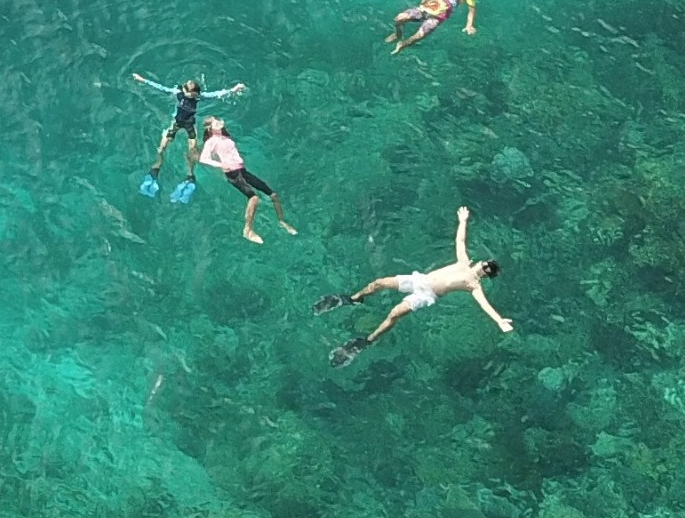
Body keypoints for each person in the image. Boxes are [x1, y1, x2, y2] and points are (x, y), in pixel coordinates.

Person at [314, 206, 507, 364]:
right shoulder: (463, 261)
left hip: (427, 295)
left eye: (487, 268)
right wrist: (463, 221)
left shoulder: (473, 285)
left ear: (485, 274)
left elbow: (484, 305)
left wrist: (499, 320)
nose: (484, 265)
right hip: (420, 279)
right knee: (380, 282)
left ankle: (366, 341)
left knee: (394, 314)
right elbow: (460, 240)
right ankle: (354, 299)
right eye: (485, 263)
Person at [188, 115, 296, 244]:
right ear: (210, 128)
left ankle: (282, 222)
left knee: (273, 195)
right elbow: (204, 158)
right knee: (254, 198)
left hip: (242, 171)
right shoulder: (211, 141)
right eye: (214, 122)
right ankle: (248, 230)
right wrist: (221, 165)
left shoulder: (226, 137)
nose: (218, 123)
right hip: (232, 174)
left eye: (218, 120)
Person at [133, 73, 245, 177]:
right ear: (183, 90)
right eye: (190, 94)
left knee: (193, 151)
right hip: (176, 123)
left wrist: (234, 89)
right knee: (162, 147)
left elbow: (216, 94)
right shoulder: (177, 93)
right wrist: (143, 80)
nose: (192, 96)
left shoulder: (200, 97)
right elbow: (159, 88)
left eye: (194, 94)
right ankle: (158, 163)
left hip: (190, 125)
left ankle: (190, 173)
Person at [389, 0, 477, 52]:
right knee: (399, 18)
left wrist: (469, 25)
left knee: (419, 35)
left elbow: (471, 10)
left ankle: (403, 44)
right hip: (424, 9)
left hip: (437, 17)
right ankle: (398, 34)